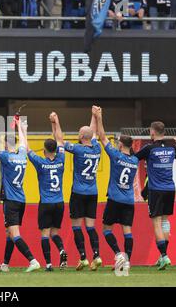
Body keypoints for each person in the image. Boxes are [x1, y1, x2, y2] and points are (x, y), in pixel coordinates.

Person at [0, 119, 41, 273]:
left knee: (14, 234)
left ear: (7, 145)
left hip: (11, 201)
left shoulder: (6, 157)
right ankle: (5, 264)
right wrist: (20, 126)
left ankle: (33, 261)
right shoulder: (22, 154)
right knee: (9, 232)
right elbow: (23, 141)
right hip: (21, 199)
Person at [93, 107, 138, 275]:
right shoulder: (134, 160)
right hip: (128, 200)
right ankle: (127, 262)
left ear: (120, 144)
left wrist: (99, 118)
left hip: (114, 199)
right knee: (127, 230)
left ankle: (119, 254)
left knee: (106, 229)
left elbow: (102, 137)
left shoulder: (116, 156)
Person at [134, 121, 176, 270]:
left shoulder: (149, 148)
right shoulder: (171, 147)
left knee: (156, 222)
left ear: (153, 132)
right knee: (165, 221)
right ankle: (163, 256)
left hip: (156, 190)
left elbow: (134, 157)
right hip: (170, 189)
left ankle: (164, 256)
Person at [27, 112, 68, 272]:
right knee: (55, 233)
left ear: (44, 150)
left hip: (46, 203)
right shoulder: (61, 159)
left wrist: (22, 129)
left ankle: (49, 264)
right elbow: (60, 140)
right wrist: (56, 121)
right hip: (59, 203)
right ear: (56, 150)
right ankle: (62, 250)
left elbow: (27, 149)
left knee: (45, 234)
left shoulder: (40, 162)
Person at [63, 106, 102, 271]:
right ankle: (97, 255)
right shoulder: (97, 148)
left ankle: (83, 257)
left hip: (78, 192)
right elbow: (92, 133)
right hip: (93, 192)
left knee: (77, 226)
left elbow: (59, 139)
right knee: (91, 226)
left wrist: (55, 123)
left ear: (80, 136)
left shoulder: (77, 149)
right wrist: (94, 116)